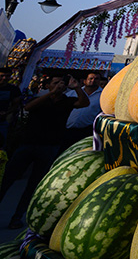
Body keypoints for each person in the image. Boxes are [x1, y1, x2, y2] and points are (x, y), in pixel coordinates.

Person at [0, 76, 89, 228]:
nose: (59, 85)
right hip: (28, 144)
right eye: (55, 83)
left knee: (34, 184)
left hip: (49, 146)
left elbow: (84, 103)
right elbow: (28, 107)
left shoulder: (67, 101)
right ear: (48, 86)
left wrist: (76, 88)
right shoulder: (40, 99)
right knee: (8, 178)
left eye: (62, 83)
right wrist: (51, 93)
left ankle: (17, 217)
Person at [64, 72, 104, 146]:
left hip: (86, 132)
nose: (93, 80)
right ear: (84, 81)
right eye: (90, 78)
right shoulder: (72, 93)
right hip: (68, 130)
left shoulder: (103, 96)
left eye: (96, 79)